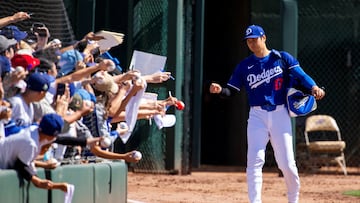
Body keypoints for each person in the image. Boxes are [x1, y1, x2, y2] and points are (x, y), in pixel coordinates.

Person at [209, 25, 325, 203]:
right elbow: (230, 91)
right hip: (257, 116)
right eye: (248, 40)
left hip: (280, 114)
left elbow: (301, 76)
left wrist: (314, 87)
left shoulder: (282, 58)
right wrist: (219, 90)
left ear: (264, 38)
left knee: (287, 165)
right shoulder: (245, 66)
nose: (251, 43)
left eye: (254, 39)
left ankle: (293, 199)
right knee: (254, 162)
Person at [0, 113, 69, 192]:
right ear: (51, 135)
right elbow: (20, 165)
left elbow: (61, 140)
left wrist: (84, 142)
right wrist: (37, 181)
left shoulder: (35, 131)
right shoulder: (31, 143)